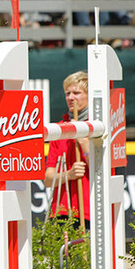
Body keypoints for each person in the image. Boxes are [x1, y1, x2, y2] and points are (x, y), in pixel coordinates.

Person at [45, 71, 91, 230]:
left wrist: (84, 142)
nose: (71, 97)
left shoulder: (98, 125)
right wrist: (69, 175)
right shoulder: (60, 129)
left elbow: (102, 169)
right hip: (62, 211)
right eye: (68, 93)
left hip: (90, 211)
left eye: (77, 93)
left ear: (88, 95)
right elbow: (48, 179)